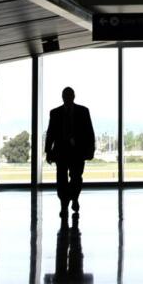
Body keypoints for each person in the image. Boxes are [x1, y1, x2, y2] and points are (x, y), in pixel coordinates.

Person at [45, 86, 95, 219]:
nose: (67, 98)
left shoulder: (83, 111)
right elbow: (50, 133)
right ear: (63, 97)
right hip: (62, 152)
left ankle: (73, 198)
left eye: (69, 95)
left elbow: (89, 132)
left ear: (73, 97)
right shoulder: (55, 113)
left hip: (77, 151)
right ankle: (64, 203)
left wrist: (90, 150)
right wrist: (48, 151)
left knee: (76, 177)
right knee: (62, 179)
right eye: (66, 95)